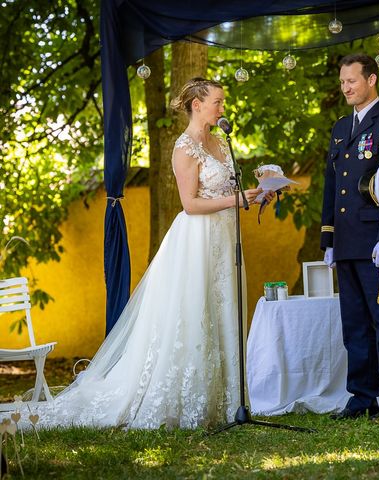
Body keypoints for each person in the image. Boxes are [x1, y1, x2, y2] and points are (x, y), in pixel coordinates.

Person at [32, 78, 273, 429]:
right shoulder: (184, 147)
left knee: (222, 310)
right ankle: (187, 401)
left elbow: (227, 190)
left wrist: (256, 192)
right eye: (217, 102)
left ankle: (227, 403)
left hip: (224, 238)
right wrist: (236, 200)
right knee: (194, 313)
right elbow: (190, 204)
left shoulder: (221, 142)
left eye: (222, 102)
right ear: (197, 105)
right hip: (196, 240)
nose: (223, 108)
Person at [321, 54, 379, 420]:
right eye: (342, 82)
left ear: (371, 80)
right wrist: (328, 239)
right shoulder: (341, 127)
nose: (346, 88)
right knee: (355, 325)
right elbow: (333, 186)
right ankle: (361, 397)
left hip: (378, 243)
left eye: (352, 81)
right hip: (347, 242)